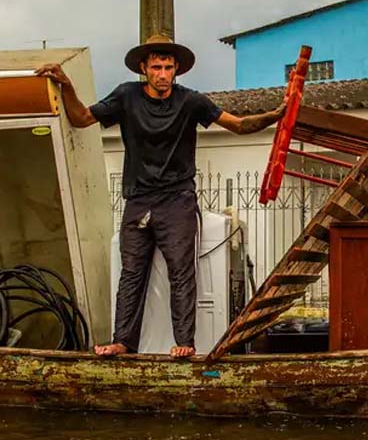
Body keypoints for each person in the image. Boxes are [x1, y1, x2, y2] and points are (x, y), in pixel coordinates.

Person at [36, 34, 285, 358]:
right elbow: (81, 119)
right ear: (144, 68)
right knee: (131, 274)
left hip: (178, 200)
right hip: (138, 200)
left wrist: (274, 116)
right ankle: (123, 341)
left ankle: (185, 343)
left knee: (182, 273)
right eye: (156, 67)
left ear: (177, 69)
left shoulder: (191, 101)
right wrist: (66, 84)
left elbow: (236, 125)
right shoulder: (126, 96)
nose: (163, 74)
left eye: (168, 67)